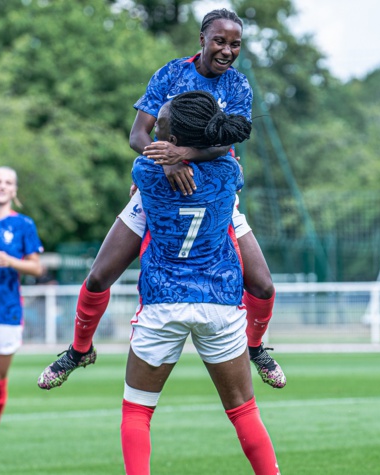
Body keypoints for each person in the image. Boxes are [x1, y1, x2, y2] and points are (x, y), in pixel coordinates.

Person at [38, 8, 286, 391]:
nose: (227, 50)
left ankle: (254, 348)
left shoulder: (238, 86)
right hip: (159, 185)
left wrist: (180, 156)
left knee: (263, 286)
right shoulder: (170, 74)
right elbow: (138, 134)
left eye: (235, 44)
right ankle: (78, 349)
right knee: (100, 275)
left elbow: (228, 142)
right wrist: (166, 164)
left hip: (215, 193)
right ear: (202, 39)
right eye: (219, 41)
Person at [121, 90, 280, 474]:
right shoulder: (230, 173)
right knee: (244, 411)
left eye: (159, 128)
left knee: (137, 411)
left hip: (163, 301)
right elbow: (225, 160)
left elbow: (145, 163)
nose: (153, 135)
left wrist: (160, 170)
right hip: (220, 302)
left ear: (172, 143)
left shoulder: (145, 172)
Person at [0, 166, 43, 465]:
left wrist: (11, 261)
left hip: (7, 310)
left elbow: (37, 267)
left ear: (14, 189)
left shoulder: (23, 225)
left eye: (8, 182)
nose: (2, 186)